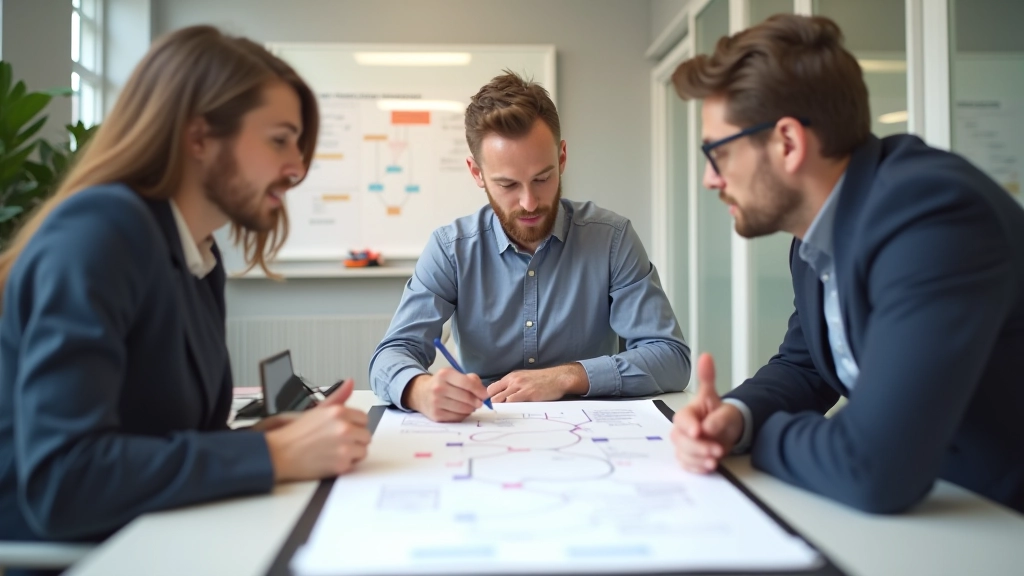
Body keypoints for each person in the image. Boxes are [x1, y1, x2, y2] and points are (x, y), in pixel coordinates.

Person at [0, 25, 372, 546]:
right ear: (198, 138)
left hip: (155, 536)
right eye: (279, 140)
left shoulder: (196, 253)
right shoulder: (99, 234)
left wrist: (258, 441)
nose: (297, 168)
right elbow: (64, 480)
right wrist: (271, 455)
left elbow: (167, 436)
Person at [669, 14, 1024, 514]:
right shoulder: (816, 232)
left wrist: (759, 436)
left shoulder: (933, 219)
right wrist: (736, 417)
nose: (711, 179)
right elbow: (804, 366)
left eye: (718, 154)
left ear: (788, 142)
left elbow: (873, 468)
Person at [369, 71, 690, 422]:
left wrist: (567, 377)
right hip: (487, 426)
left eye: (542, 178)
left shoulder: (612, 239)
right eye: (508, 185)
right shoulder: (451, 249)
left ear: (562, 157)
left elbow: (671, 358)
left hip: (589, 428)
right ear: (476, 173)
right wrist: (419, 389)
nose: (529, 202)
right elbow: (391, 354)